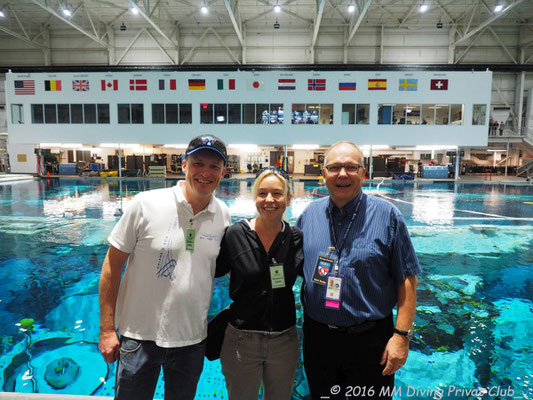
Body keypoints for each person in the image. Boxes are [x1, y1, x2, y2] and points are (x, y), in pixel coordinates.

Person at [98, 135, 230, 400]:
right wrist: (107, 329)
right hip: (139, 337)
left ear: (224, 172)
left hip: (191, 340)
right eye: (198, 163)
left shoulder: (223, 214)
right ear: (184, 165)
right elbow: (112, 267)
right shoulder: (145, 204)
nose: (205, 173)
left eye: (214, 166)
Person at [296, 141, 421, 400]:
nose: (343, 174)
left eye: (351, 167)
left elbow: (407, 279)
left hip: (370, 341)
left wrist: (401, 337)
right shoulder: (309, 216)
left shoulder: (388, 217)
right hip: (319, 340)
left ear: (363, 174)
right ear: (324, 174)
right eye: (335, 167)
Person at [215, 167, 303, 400]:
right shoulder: (235, 234)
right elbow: (209, 271)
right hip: (242, 340)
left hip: (284, 339)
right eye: (262, 193)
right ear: (254, 198)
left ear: (289, 198)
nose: (270, 200)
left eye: (277, 193)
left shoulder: (295, 238)